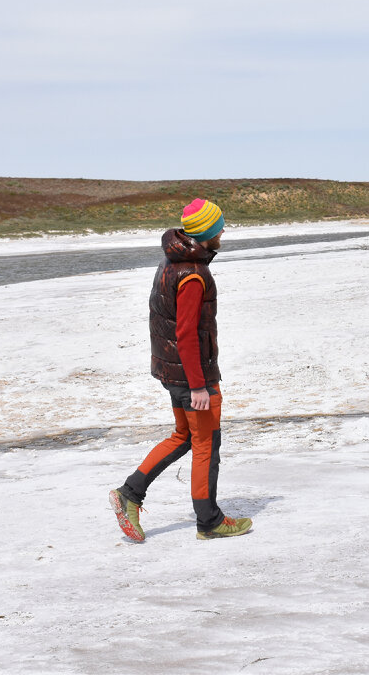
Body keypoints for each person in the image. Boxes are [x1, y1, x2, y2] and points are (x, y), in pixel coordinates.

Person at [109, 198, 253, 542]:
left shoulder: (171, 262)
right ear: (208, 231)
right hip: (192, 377)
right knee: (205, 443)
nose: (223, 231)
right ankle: (210, 521)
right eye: (220, 226)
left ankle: (130, 493)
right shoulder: (192, 274)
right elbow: (186, 334)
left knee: (184, 436)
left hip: (173, 373)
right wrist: (199, 386)